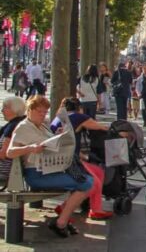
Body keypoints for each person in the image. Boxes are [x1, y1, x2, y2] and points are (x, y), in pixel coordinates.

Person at [7, 96, 93, 238]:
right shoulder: (23, 127)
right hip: (36, 175)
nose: (42, 115)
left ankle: (62, 219)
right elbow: (10, 152)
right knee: (86, 183)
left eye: (45, 112)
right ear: (30, 110)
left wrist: (59, 137)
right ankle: (61, 222)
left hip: (50, 169)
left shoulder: (42, 125)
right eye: (39, 111)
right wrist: (30, 148)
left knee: (86, 181)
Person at [50, 98, 113, 220]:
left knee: (98, 172)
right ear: (79, 107)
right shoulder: (78, 117)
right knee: (94, 182)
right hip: (69, 161)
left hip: (59, 158)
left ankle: (96, 208)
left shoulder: (57, 119)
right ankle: (66, 207)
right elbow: (101, 127)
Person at [0, 96, 27, 186]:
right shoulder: (18, 122)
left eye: (5, 107)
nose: (2, 110)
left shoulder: (13, 126)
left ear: (15, 109)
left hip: (4, 170)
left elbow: (3, 154)